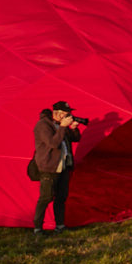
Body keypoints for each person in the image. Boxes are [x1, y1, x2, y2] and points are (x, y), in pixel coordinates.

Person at [32, 100, 84, 235]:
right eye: (66, 113)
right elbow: (53, 143)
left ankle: (60, 226)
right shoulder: (43, 125)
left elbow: (76, 138)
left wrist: (73, 128)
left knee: (61, 197)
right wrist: (62, 127)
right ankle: (38, 228)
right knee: (46, 197)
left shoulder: (61, 125)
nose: (69, 116)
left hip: (64, 165)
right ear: (58, 113)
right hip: (49, 167)